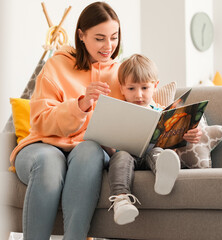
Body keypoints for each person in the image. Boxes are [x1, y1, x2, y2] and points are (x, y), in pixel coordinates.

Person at [9, 2, 124, 240]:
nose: (109, 46)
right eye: (100, 38)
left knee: (90, 149)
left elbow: (143, 109)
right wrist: (81, 105)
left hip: (87, 149)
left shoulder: (122, 73)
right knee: (49, 162)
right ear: (81, 35)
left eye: (114, 37)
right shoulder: (57, 65)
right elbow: (40, 122)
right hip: (42, 145)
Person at [107, 54, 202, 225]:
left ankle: (164, 176)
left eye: (144, 88)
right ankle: (121, 202)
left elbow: (173, 138)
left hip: (152, 153)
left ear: (155, 86)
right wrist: (106, 141)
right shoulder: (118, 111)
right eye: (131, 89)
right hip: (126, 155)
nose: (139, 95)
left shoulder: (162, 111)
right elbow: (111, 147)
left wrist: (189, 135)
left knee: (159, 152)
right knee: (120, 157)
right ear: (122, 88)